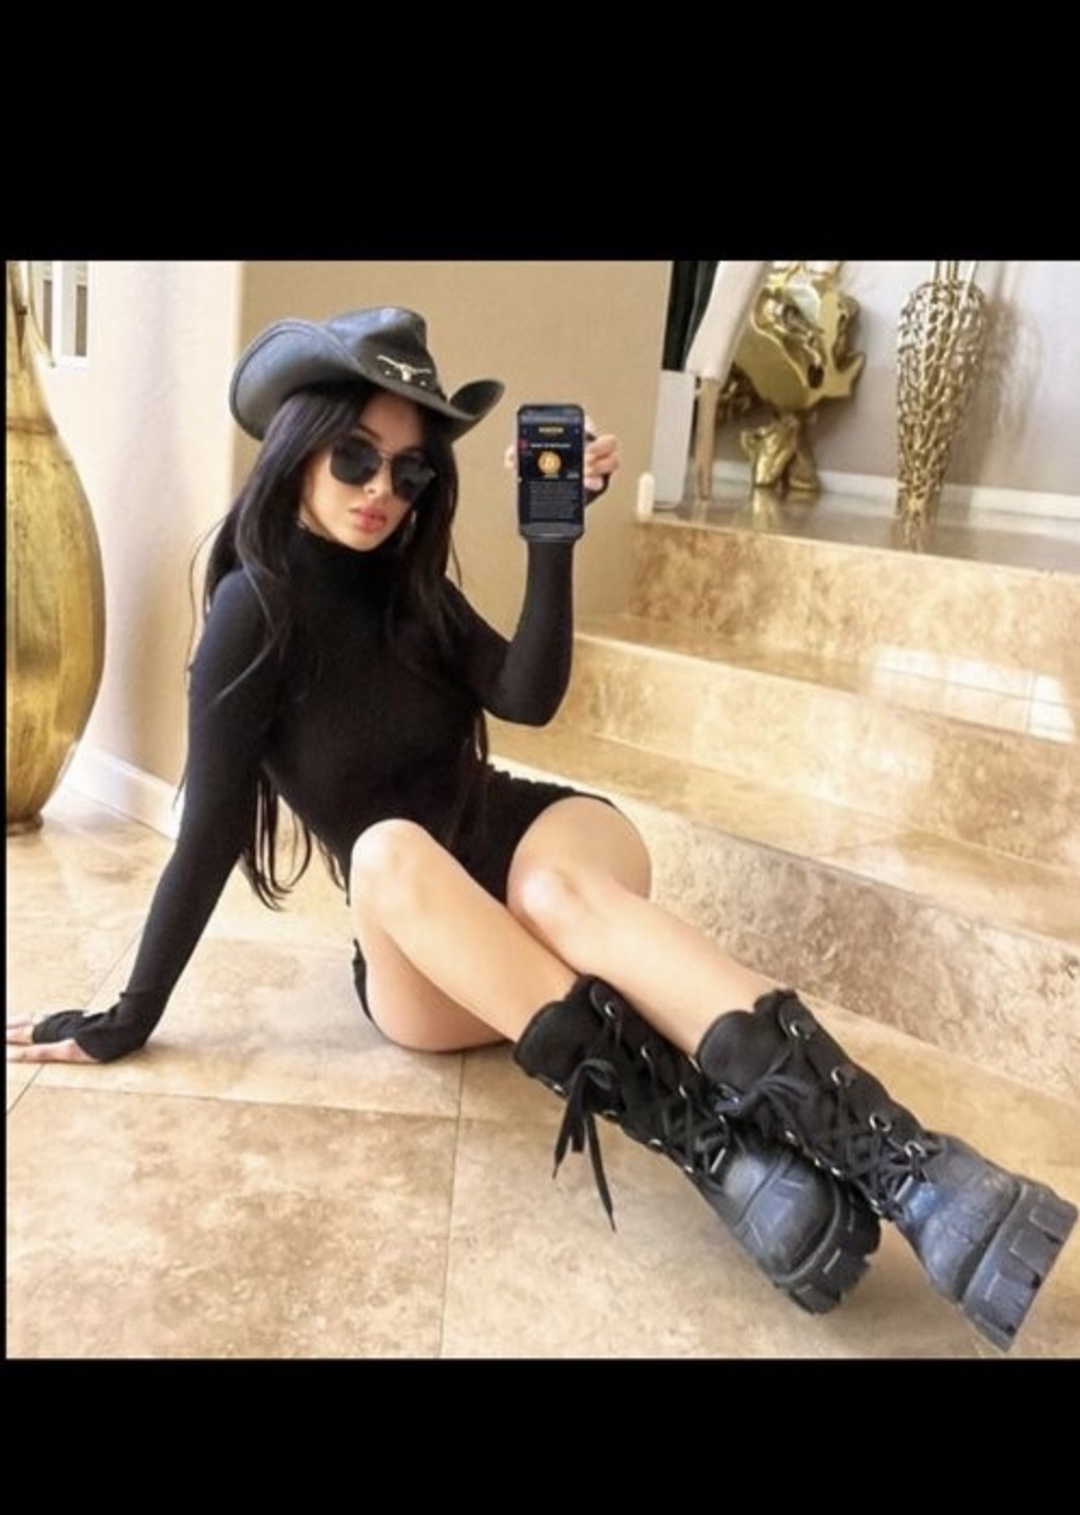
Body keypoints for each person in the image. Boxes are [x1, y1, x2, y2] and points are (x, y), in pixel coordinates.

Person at [8, 304, 1076, 1353]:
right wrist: (128, 1013)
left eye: (410, 473)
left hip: (533, 856)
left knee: (557, 892)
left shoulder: (410, 588)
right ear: (297, 451)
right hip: (426, 944)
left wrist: (551, 540)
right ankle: (717, 1150)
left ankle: (912, 1170)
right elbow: (205, 834)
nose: (382, 491)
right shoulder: (254, 613)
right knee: (388, 846)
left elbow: (527, 697)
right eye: (356, 458)